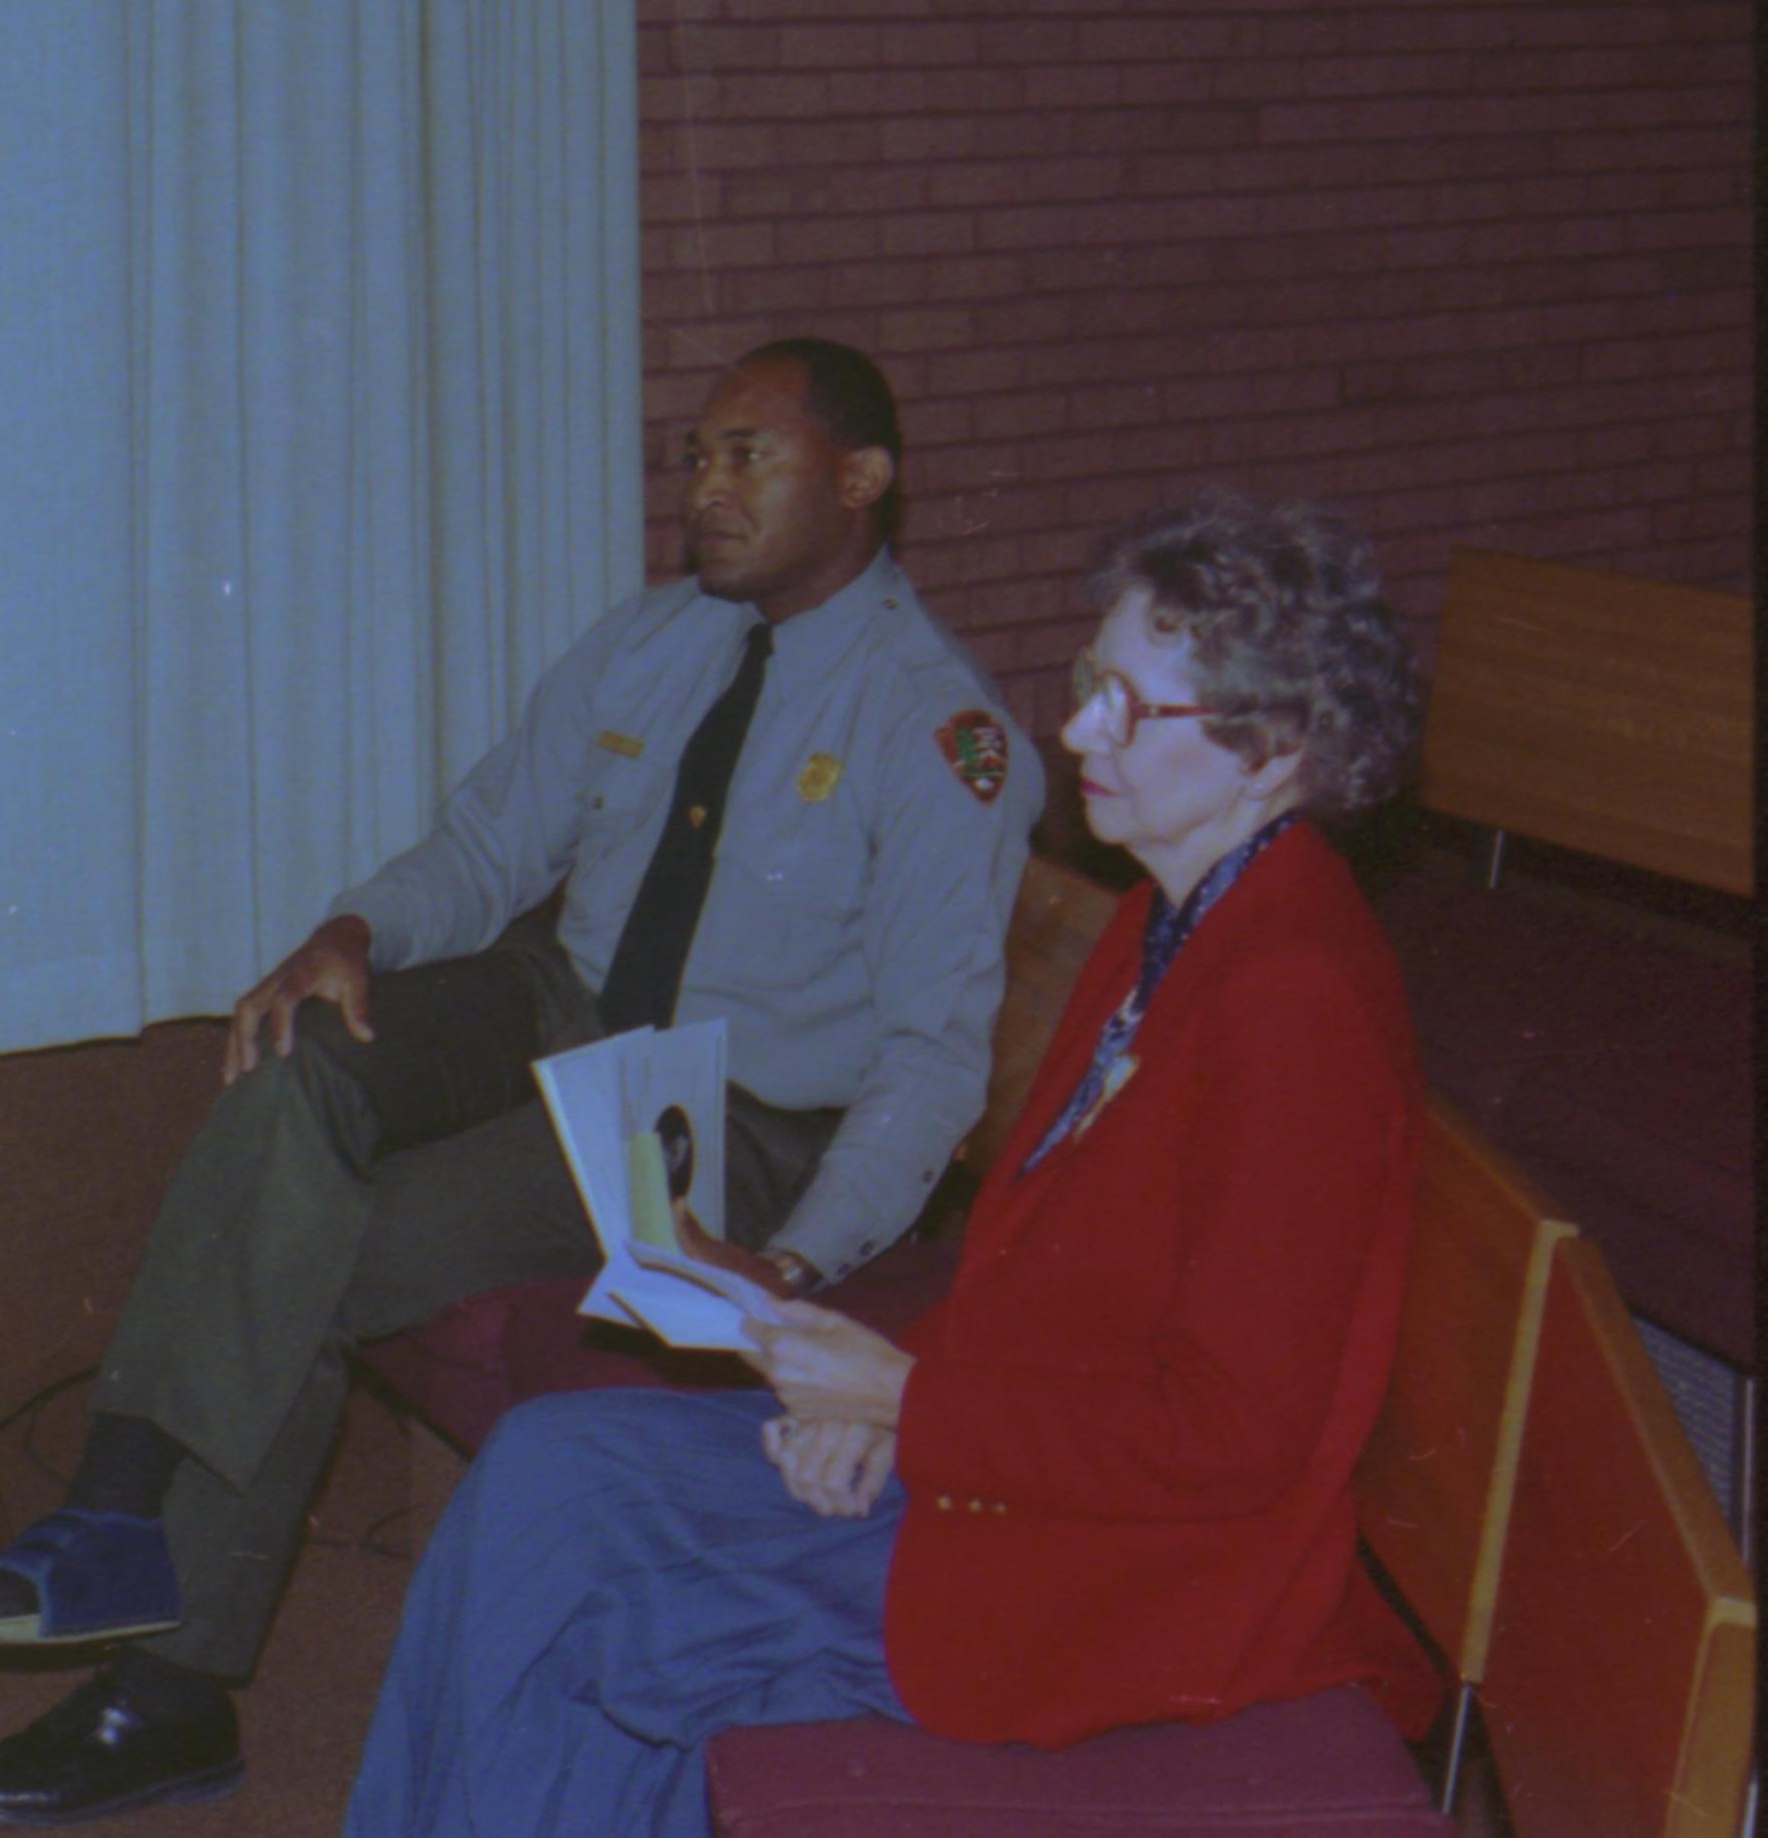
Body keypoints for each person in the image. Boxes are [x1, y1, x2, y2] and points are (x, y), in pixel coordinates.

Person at [0, 339, 1044, 1824]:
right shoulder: (652, 640)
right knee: (304, 1056)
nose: (701, 491)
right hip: (562, 1000)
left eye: (743, 459)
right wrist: (351, 931)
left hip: (724, 1118)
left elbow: (926, 1060)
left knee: (317, 1251)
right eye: (692, 458)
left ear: (860, 483)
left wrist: (782, 1267)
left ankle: (168, 1689)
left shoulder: (933, 732)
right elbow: (490, 846)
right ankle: (113, 1509)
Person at [345, 493, 1442, 1836]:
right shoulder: (1174, 917)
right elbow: (1043, 1265)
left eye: (1127, 708)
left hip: (1124, 1575)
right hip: (1016, 1465)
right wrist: (872, 1405)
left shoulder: (1293, 1006)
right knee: (553, 1470)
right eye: (1088, 682)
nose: (1075, 728)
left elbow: (1230, 1441)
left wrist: (908, 1404)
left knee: (594, 1589)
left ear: (1270, 751)